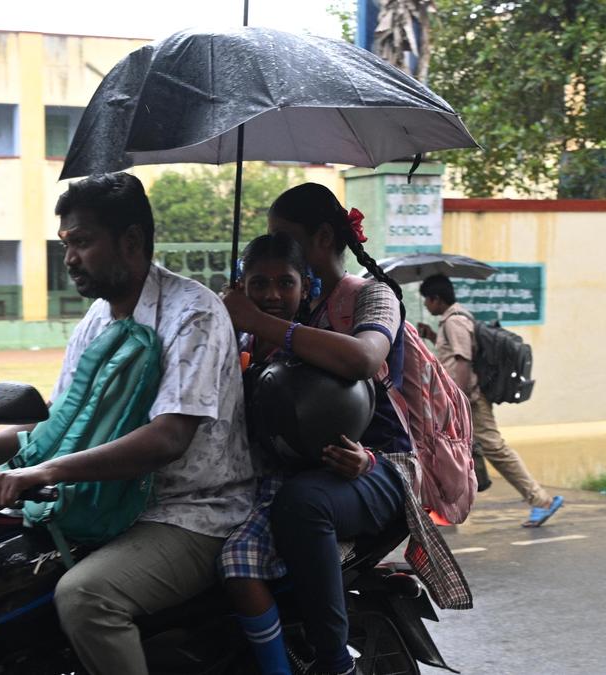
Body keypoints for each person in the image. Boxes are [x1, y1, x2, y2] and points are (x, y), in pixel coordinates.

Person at [0, 172, 253, 675]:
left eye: (83, 242)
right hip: (100, 503)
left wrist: (45, 472)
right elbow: (59, 424)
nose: (70, 258)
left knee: (86, 597)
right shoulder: (98, 320)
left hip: (188, 512)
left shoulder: (192, 312)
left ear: (130, 241)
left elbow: (169, 437)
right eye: (65, 244)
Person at [222, 183, 471, 675]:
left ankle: (335, 664)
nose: (274, 286)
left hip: (378, 464)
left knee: (303, 505)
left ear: (321, 238)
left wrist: (262, 322)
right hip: (302, 461)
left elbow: (363, 358)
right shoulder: (289, 300)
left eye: (285, 237)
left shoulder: (371, 296)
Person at [218, 233, 311, 675]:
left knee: (236, 562)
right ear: (241, 286)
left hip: (282, 477)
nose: (272, 295)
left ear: (305, 287)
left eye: (284, 283)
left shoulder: (310, 342)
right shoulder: (234, 338)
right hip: (230, 469)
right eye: (259, 283)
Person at [417, 274, 563, 527]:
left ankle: (541, 501)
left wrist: (458, 399)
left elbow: (463, 360)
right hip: (464, 398)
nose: (426, 306)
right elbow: (455, 354)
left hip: (470, 400)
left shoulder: (454, 321)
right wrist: (432, 335)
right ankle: (443, 510)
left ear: (437, 299)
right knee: (445, 449)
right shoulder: (454, 320)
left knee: (495, 448)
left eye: (427, 300)